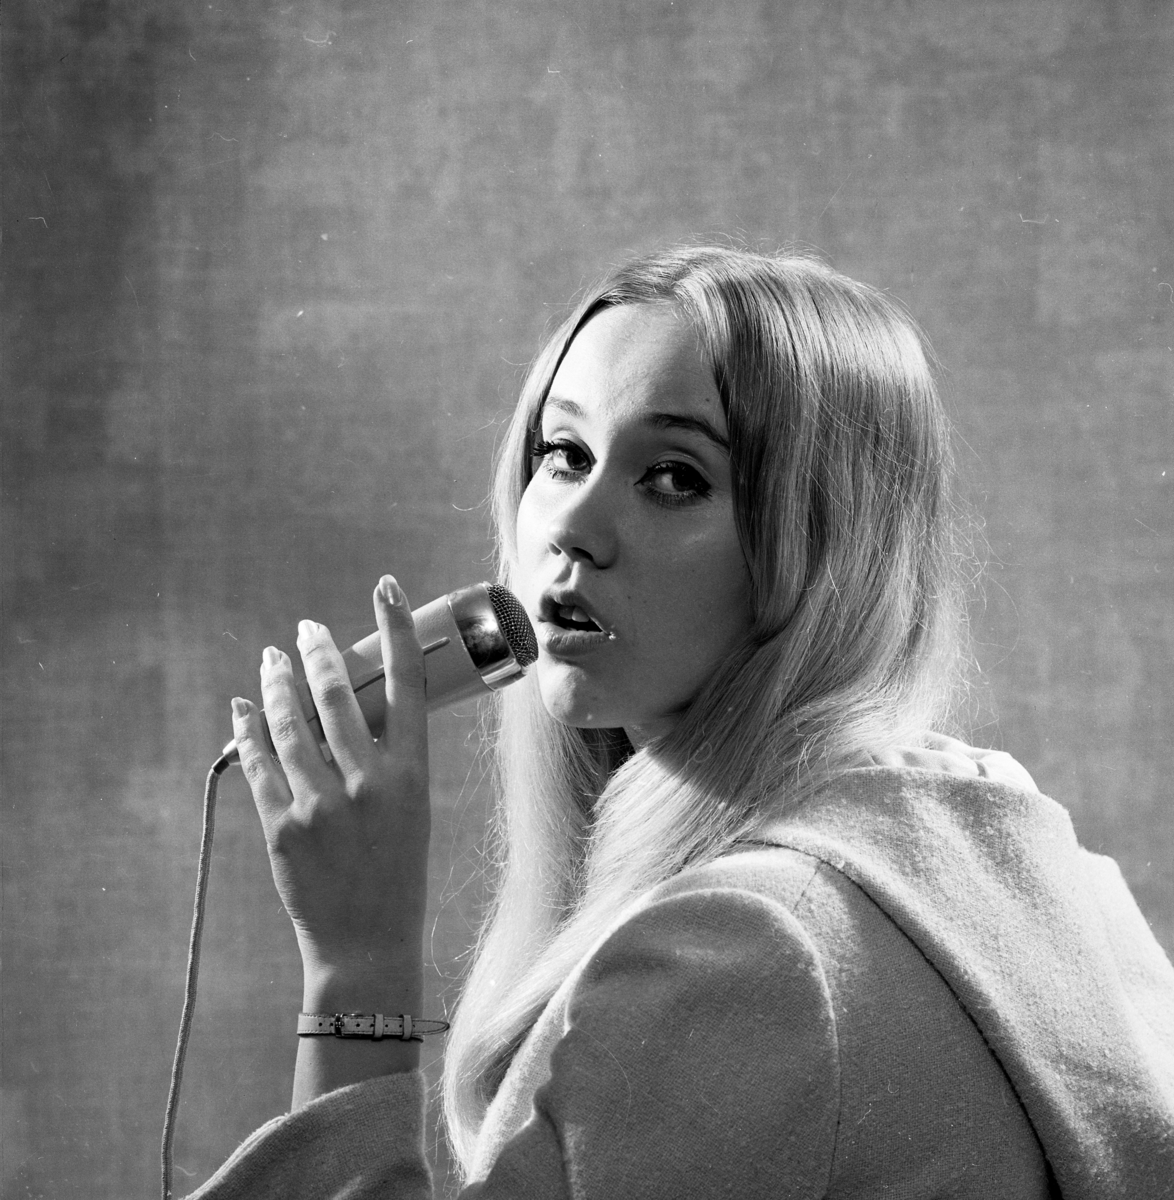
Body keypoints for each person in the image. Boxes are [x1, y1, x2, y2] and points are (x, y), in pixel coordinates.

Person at [191, 246, 1174, 1198]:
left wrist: (356, 967)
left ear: (819, 549)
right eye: (564, 454)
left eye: (674, 477)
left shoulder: (746, 949)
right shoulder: (981, 846)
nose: (572, 527)